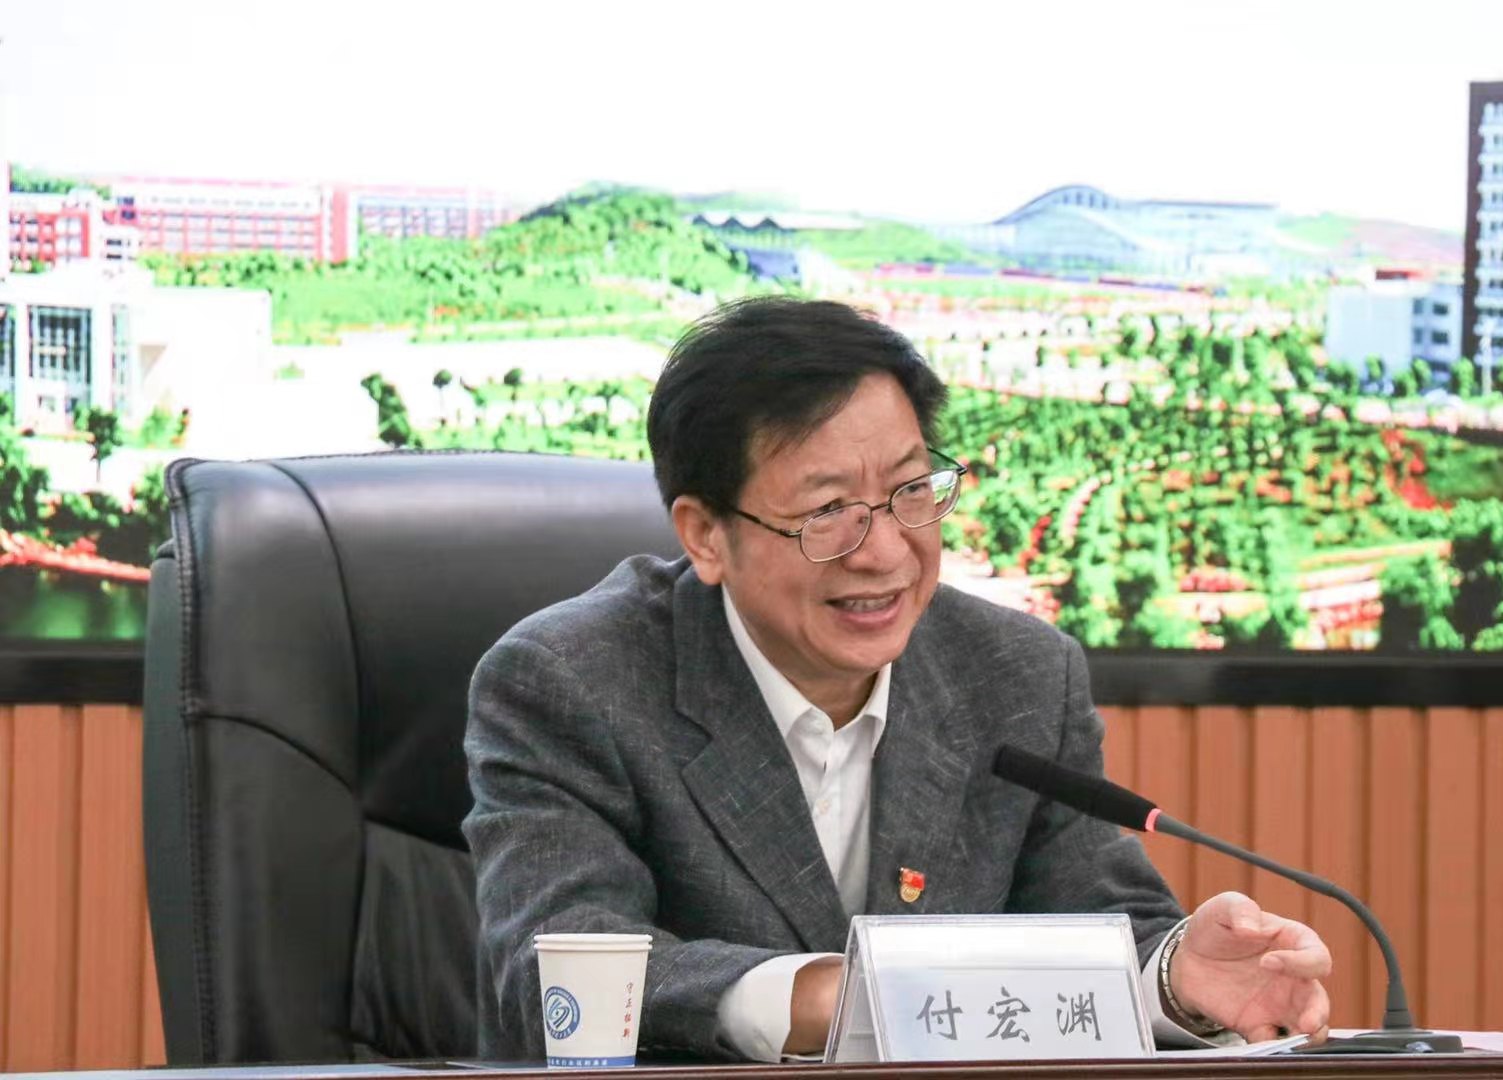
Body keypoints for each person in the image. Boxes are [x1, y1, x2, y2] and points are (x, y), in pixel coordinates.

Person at [463, 296, 1331, 1062]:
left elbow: (1106, 929)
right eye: (827, 511)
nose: (885, 552)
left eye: (912, 491)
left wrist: (1178, 980)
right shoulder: (572, 682)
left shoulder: (1018, 676)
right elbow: (555, 964)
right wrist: (825, 997)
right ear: (705, 536)